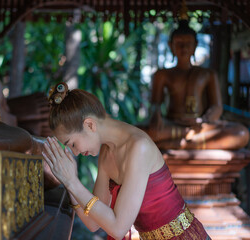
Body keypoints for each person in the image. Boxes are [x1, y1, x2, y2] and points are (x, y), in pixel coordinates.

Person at [42, 82, 211, 240]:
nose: (75, 152)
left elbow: (118, 228)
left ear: (90, 125)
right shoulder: (106, 153)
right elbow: (93, 223)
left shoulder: (139, 147)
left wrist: (73, 182)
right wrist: (69, 181)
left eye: (72, 144)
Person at [139, 20, 249, 150]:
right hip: (172, 124)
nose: (184, 48)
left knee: (241, 133)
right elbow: (155, 105)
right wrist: (156, 116)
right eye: (179, 43)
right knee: (141, 133)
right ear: (170, 46)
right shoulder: (162, 75)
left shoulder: (208, 74)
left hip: (201, 126)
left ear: (195, 45)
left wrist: (204, 120)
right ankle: (189, 138)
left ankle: (175, 143)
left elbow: (217, 106)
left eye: (188, 44)